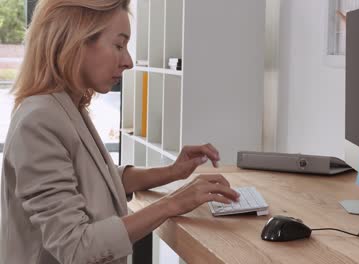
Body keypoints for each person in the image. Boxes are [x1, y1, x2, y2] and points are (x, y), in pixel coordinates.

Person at [0, 1, 239, 263]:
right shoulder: (40, 121)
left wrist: (172, 172)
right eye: (118, 45)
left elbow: (92, 178)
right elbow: (76, 247)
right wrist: (174, 203)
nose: (128, 61)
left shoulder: (63, 106)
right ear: (75, 41)